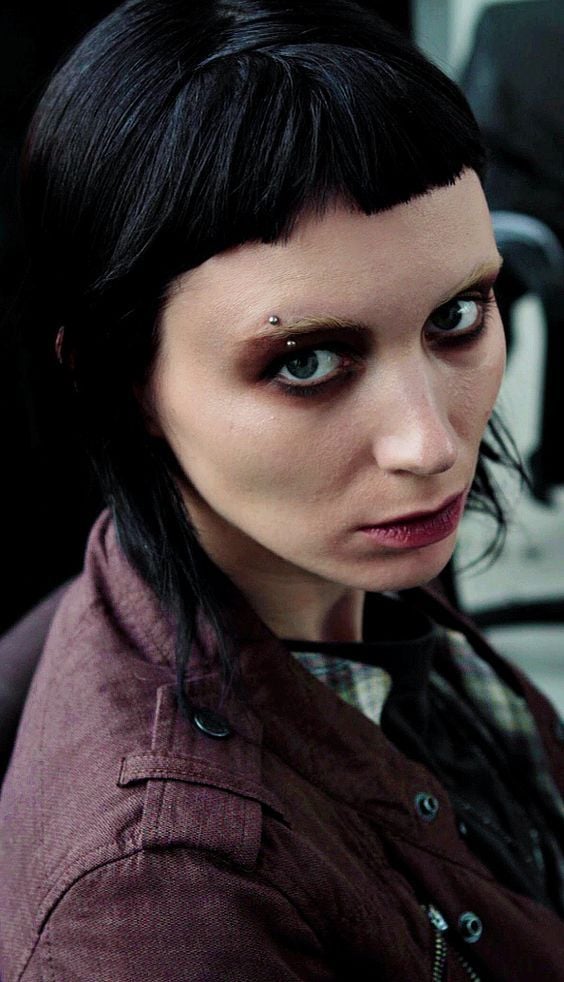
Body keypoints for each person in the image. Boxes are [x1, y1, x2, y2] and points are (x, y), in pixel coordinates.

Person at [0, 1, 563, 978]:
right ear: (121, 380)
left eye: (457, 316)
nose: (430, 445)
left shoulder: (338, 559)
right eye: (307, 362)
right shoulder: (167, 907)